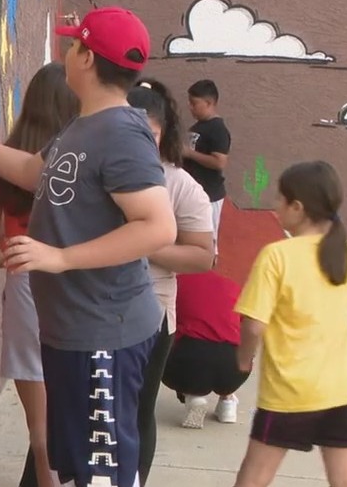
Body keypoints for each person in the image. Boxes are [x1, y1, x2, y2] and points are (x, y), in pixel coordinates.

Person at [0, 6, 176, 487]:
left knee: (103, 475)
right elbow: (29, 171)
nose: (67, 50)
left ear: (87, 58)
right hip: (71, 333)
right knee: (78, 468)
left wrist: (60, 258)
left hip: (104, 336)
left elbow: (158, 227)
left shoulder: (122, 133)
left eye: (74, 43)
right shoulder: (84, 126)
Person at [0, 62, 78, 487]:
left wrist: (2, 250)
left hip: (28, 293)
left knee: (41, 433)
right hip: (83, 288)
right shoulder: (82, 163)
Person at [232, 161, 347, 487]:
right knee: (346, 480)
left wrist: (243, 360)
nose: (275, 206)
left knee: (254, 476)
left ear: (298, 207)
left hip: (289, 390)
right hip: (343, 388)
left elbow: (254, 325)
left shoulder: (276, 255)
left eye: (280, 199)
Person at [126, 80, 215, 486]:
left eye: (151, 134)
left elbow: (202, 256)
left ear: (165, 133)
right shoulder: (97, 171)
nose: (141, 143)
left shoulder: (180, 185)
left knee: (139, 411)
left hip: (152, 313)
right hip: (93, 309)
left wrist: (143, 244)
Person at [162, 270, 250, 428]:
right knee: (235, 345)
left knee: (166, 345)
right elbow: (247, 324)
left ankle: (193, 396)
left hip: (190, 358)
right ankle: (228, 402)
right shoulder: (232, 286)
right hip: (233, 367)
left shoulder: (177, 283)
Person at [182, 79, 230, 258]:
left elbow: (219, 162)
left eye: (194, 103)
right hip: (195, 192)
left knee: (208, 239)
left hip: (210, 194)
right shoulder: (197, 127)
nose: (190, 107)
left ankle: (209, 264)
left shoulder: (218, 129)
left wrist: (189, 153)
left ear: (209, 103)